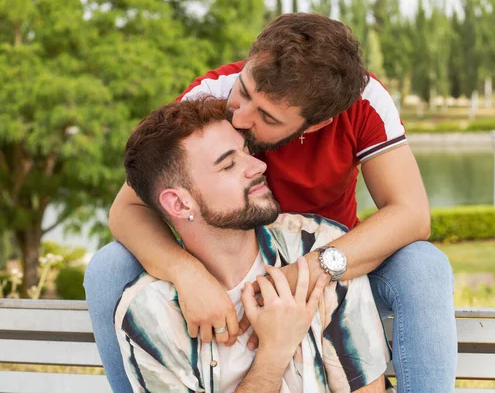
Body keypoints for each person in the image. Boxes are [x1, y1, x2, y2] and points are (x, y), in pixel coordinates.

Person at [85, 12, 456, 392]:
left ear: (315, 125)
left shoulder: (364, 101)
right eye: (244, 91)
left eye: (266, 116)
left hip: (331, 268)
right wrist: (187, 275)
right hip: (228, 271)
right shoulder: (211, 96)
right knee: (108, 267)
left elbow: (411, 214)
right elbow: (127, 208)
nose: (240, 118)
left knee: (423, 266)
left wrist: (306, 273)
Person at [116, 97, 391, 392]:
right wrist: (273, 353)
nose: (258, 165)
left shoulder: (321, 249)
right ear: (180, 203)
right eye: (229, 165)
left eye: (246, 151)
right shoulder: (149, 314)